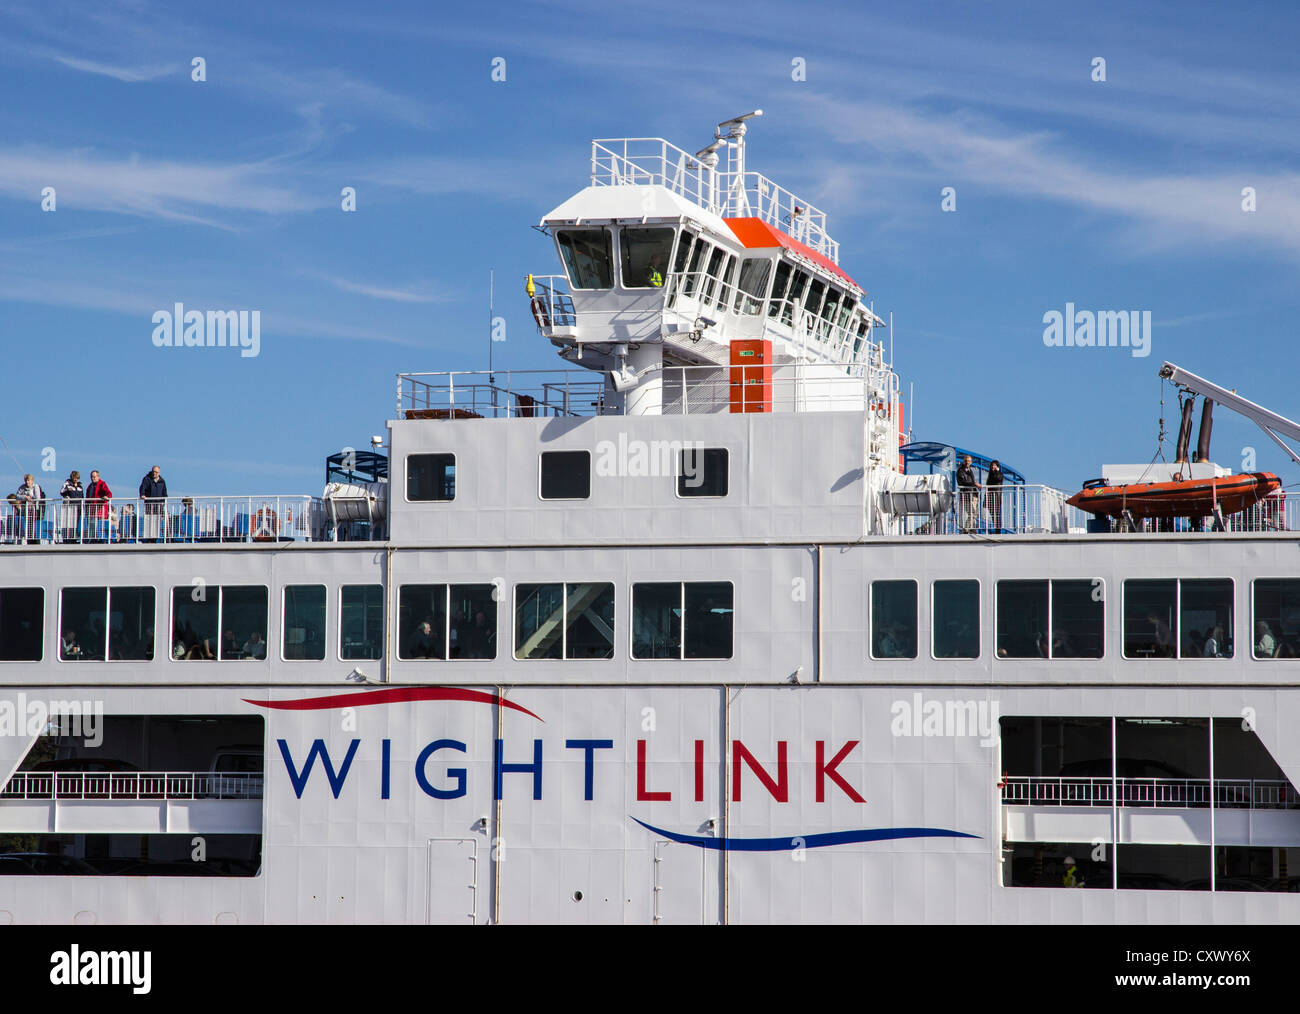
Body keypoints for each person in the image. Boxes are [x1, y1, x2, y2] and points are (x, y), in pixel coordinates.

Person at [138, 465, 167, 541]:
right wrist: (142, 494)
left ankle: (155, 538)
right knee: (149, 521)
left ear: (159, 473)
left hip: (159, 505)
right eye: (154, 472)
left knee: (157, 521)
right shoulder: (147, 479)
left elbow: (164, 493)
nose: (155, 473)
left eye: (156, 472)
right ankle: (149, 538)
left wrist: (164, 501)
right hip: (149, 504)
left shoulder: (162, 481)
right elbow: (142, 488)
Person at [14, 473, 44, 543]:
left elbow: (38, 497)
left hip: (33, 508)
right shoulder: (22, 487)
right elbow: (17, 496)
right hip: (25, 509)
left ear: (32, 481)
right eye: (26, 480)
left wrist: (31, 497)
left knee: (32, 524)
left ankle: (33, 540)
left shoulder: (35, 486)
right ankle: (28, 538)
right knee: (26, 524)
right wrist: (25, 497)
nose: (27, 482)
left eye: (29, 480)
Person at [955, 455, 980, 533]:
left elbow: (970, 481)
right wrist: (975, 484)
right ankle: (966, 529)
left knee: (974, 513)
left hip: (973, 494)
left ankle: (972, 528)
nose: (967, 462)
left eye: (969, 461)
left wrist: (976, 492)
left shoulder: (970, 470)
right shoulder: (960, 471)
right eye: (966, 461)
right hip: (966, 495)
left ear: (971, 462)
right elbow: (963, 482)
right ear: (963, 461)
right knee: (972, 513)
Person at [85, 470, 112, 540]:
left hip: (99, 509)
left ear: (98, 477)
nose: (92, 478)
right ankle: (93, 539)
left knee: (98, 525)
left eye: (94, 477)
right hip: (91, 509)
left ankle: (98, 539)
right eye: (91, 477)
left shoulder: (102, 484)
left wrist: (107, 497)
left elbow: (108, 492)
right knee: (91, 525)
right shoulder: (90, 486)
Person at [60, 470, 84, 542]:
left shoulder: (80, 486)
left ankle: (75, 538)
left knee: (77, 523)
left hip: (78, 508)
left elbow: (82, 497)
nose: (76, 479)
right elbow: (61, 492)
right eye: (74, 478)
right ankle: (68, 538)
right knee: (69, 523)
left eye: (77, 478)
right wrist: (67, 489)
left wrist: (83, 507)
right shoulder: (67, 484)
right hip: (70, 508)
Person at [986, 460, 1004, 533]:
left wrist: (997, 471)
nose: (992, 467)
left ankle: (998, 529)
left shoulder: (999, 474)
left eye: (994, 465)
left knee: (996, 513)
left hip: (996, 495)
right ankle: (996, 527)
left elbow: (998, 479)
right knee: (992, 512)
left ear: (997, 466)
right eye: (992, 465)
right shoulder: (990, 474)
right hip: (990, 495)